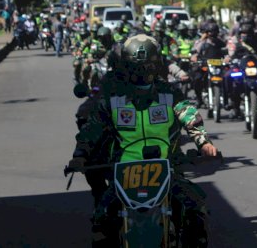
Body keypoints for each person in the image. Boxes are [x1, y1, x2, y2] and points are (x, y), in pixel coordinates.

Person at [68, 34, 218, 247]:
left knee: (195, 209)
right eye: (138, 66)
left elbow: (188, 113)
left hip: (167, 170)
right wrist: (80, 156)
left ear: (156, 65)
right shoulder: (113, 96)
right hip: (123, 172)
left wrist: (204, 143)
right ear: (126, 66)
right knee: (102, 220)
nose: (143, 72)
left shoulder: (169, 93)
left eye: (148, 66)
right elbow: (92, 129)